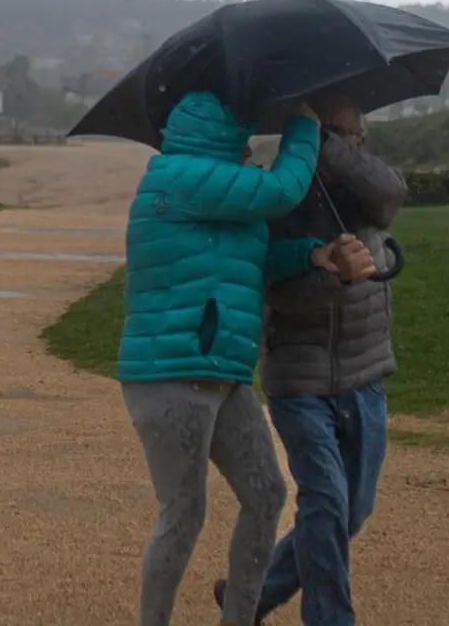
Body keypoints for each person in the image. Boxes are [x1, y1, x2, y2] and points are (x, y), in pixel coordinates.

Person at [117, 91, 376, 626]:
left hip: (221, 374)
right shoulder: (176, 178)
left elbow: (253, 257)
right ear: (216, 138)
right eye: (240, 138)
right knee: (184, 513)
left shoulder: (218, 193)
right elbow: (282, 189)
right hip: (170, 374)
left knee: (266, 495)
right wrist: (303, 126)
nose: (248, 148)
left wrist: (311, 255)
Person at [213, 96, 406, 625]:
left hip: (364, 371)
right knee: (325, 502)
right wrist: (331, 272)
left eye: (349, 135)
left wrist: (325, 145)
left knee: (354, 509)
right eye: (328, 134)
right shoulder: (281, 198)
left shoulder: (366, 192)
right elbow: (277, 294)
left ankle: (247, 597)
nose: (345, 144)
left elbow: (392, 195)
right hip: (299, 380)